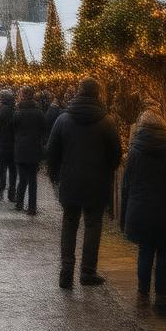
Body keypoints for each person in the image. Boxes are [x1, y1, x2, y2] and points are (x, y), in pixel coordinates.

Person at [47, 78, 122, 289]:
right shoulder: (106, 121)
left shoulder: (63, 120)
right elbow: (115, 154)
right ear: (98, 94)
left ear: (78, 92)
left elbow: (52, 152)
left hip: (70, 180)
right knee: (93, 224)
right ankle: (87, 272)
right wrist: (106, 171)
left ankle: (66, 271)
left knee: (70, 223)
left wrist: (56, 175)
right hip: (96, 182)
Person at [120, 107, 166, 315]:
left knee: (145, 251)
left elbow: (126, 185)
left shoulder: (135, 152)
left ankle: (142, 297)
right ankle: (161, 299)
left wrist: (124, 215)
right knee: (164, 253)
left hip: (141, 209)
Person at [12, 86, 46, 214]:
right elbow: (44, 129)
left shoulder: (18, 112)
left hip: (21, 148)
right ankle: (32, 207)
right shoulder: (39, 112)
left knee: (22, 179)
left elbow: (13, 128)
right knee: (33, 180)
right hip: (34, 148)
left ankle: (19, 203)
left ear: (22, 96)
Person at [0, 89, 17, 202]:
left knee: (2, 171)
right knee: (13, 171)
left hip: (0, 145)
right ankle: (11, 194)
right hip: (11, 144)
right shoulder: (11, 111)